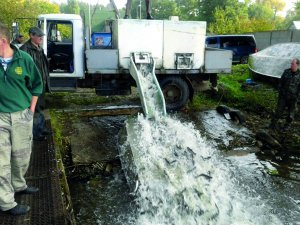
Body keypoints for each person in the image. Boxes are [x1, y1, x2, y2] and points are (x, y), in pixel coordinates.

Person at [0, 23, 43, 215]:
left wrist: (31, 110)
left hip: (21, 116)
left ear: (2, 40)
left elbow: (36, 84)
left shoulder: (23, 59)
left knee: (21, 156)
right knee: (1, 162)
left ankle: (18, 184)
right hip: (0, 118)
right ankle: (6, 202)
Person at [20, 27, 51, 141]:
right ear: (31, 35)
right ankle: (36, 134)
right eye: (38, 35)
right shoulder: (25, 49)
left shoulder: (39, 48)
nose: (41, 37)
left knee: (41, 107)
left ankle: (41, 128)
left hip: (41, 84)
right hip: (32, 86)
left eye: (41, 35)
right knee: (35, 109)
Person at [269, 58, 300, 130]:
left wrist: (297, 97)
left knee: (290, 113)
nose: (291, 65)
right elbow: (280, 83)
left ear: (297, 65)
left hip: (293, 98)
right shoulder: (286, 72)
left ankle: (287, 125)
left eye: (293, 64)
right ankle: (273, 124)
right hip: (283, 96)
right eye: (291, 63)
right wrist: (280, 91)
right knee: (278, 111)